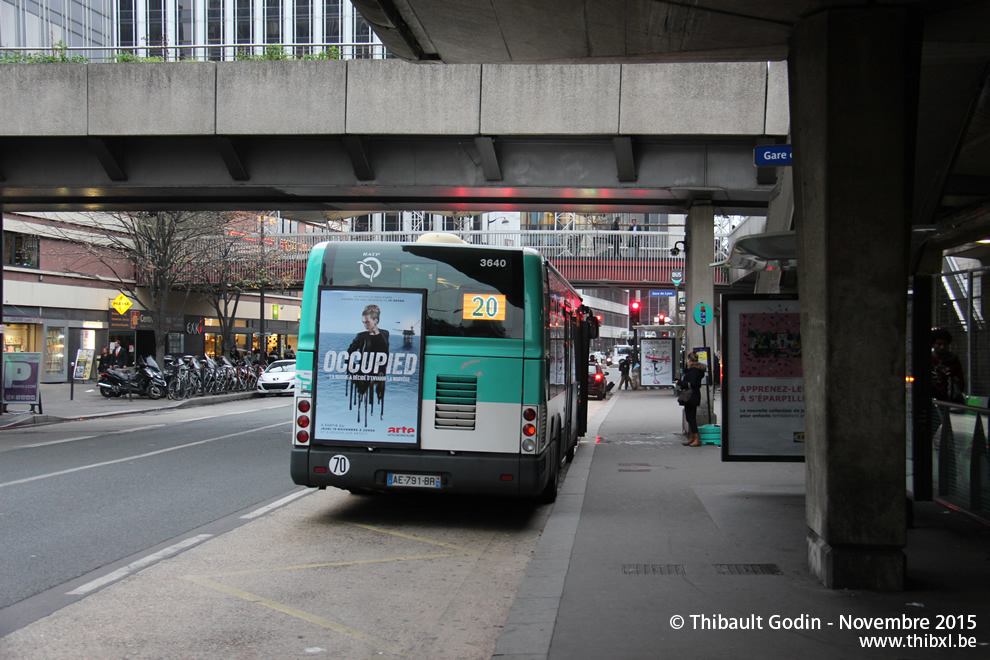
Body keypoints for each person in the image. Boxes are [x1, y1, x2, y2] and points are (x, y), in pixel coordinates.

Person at [346, 304, 390, 424]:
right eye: (363, 322)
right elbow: (350, 352)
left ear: (375, 321)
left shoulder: (385, 334)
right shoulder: (361, 336)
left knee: (379, 400)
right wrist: (353, 366)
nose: (365, 325)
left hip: (380, 373)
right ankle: (360, 422)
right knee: (362, 402)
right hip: (365, 373)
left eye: (367, 322)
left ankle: (379, 423)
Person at [931, 328, 966, 441]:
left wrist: (955, 382)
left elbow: (961, 382)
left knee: (946, 429)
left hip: (945, 400)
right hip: (932, 399)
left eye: (944, 344)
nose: (942, 347)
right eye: (939, 344)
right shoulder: (928, 359)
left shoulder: (953, 360)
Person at [677, 351, 708, 447]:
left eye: (687, 359)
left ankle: (696, 438)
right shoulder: (698, 370)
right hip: (694, 395)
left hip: (691, 395)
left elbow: (692, 383)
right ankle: (692, 437)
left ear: (690, 360)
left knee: (691, 417)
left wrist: (680, 383)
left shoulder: (693, 371)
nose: (686, 361)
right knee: (690, 416)